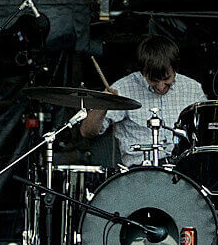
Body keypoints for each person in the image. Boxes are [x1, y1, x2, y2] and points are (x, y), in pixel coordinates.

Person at [80, 35, 207, 166]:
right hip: (139, 173)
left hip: (183, 170)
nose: (160, 87)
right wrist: (102, 105)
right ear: (143, 72)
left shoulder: (193, 89)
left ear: (175, 69)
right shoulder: (123, 88)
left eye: (166, 79)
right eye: (153, 80)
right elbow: (87, 132)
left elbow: (207, 132)